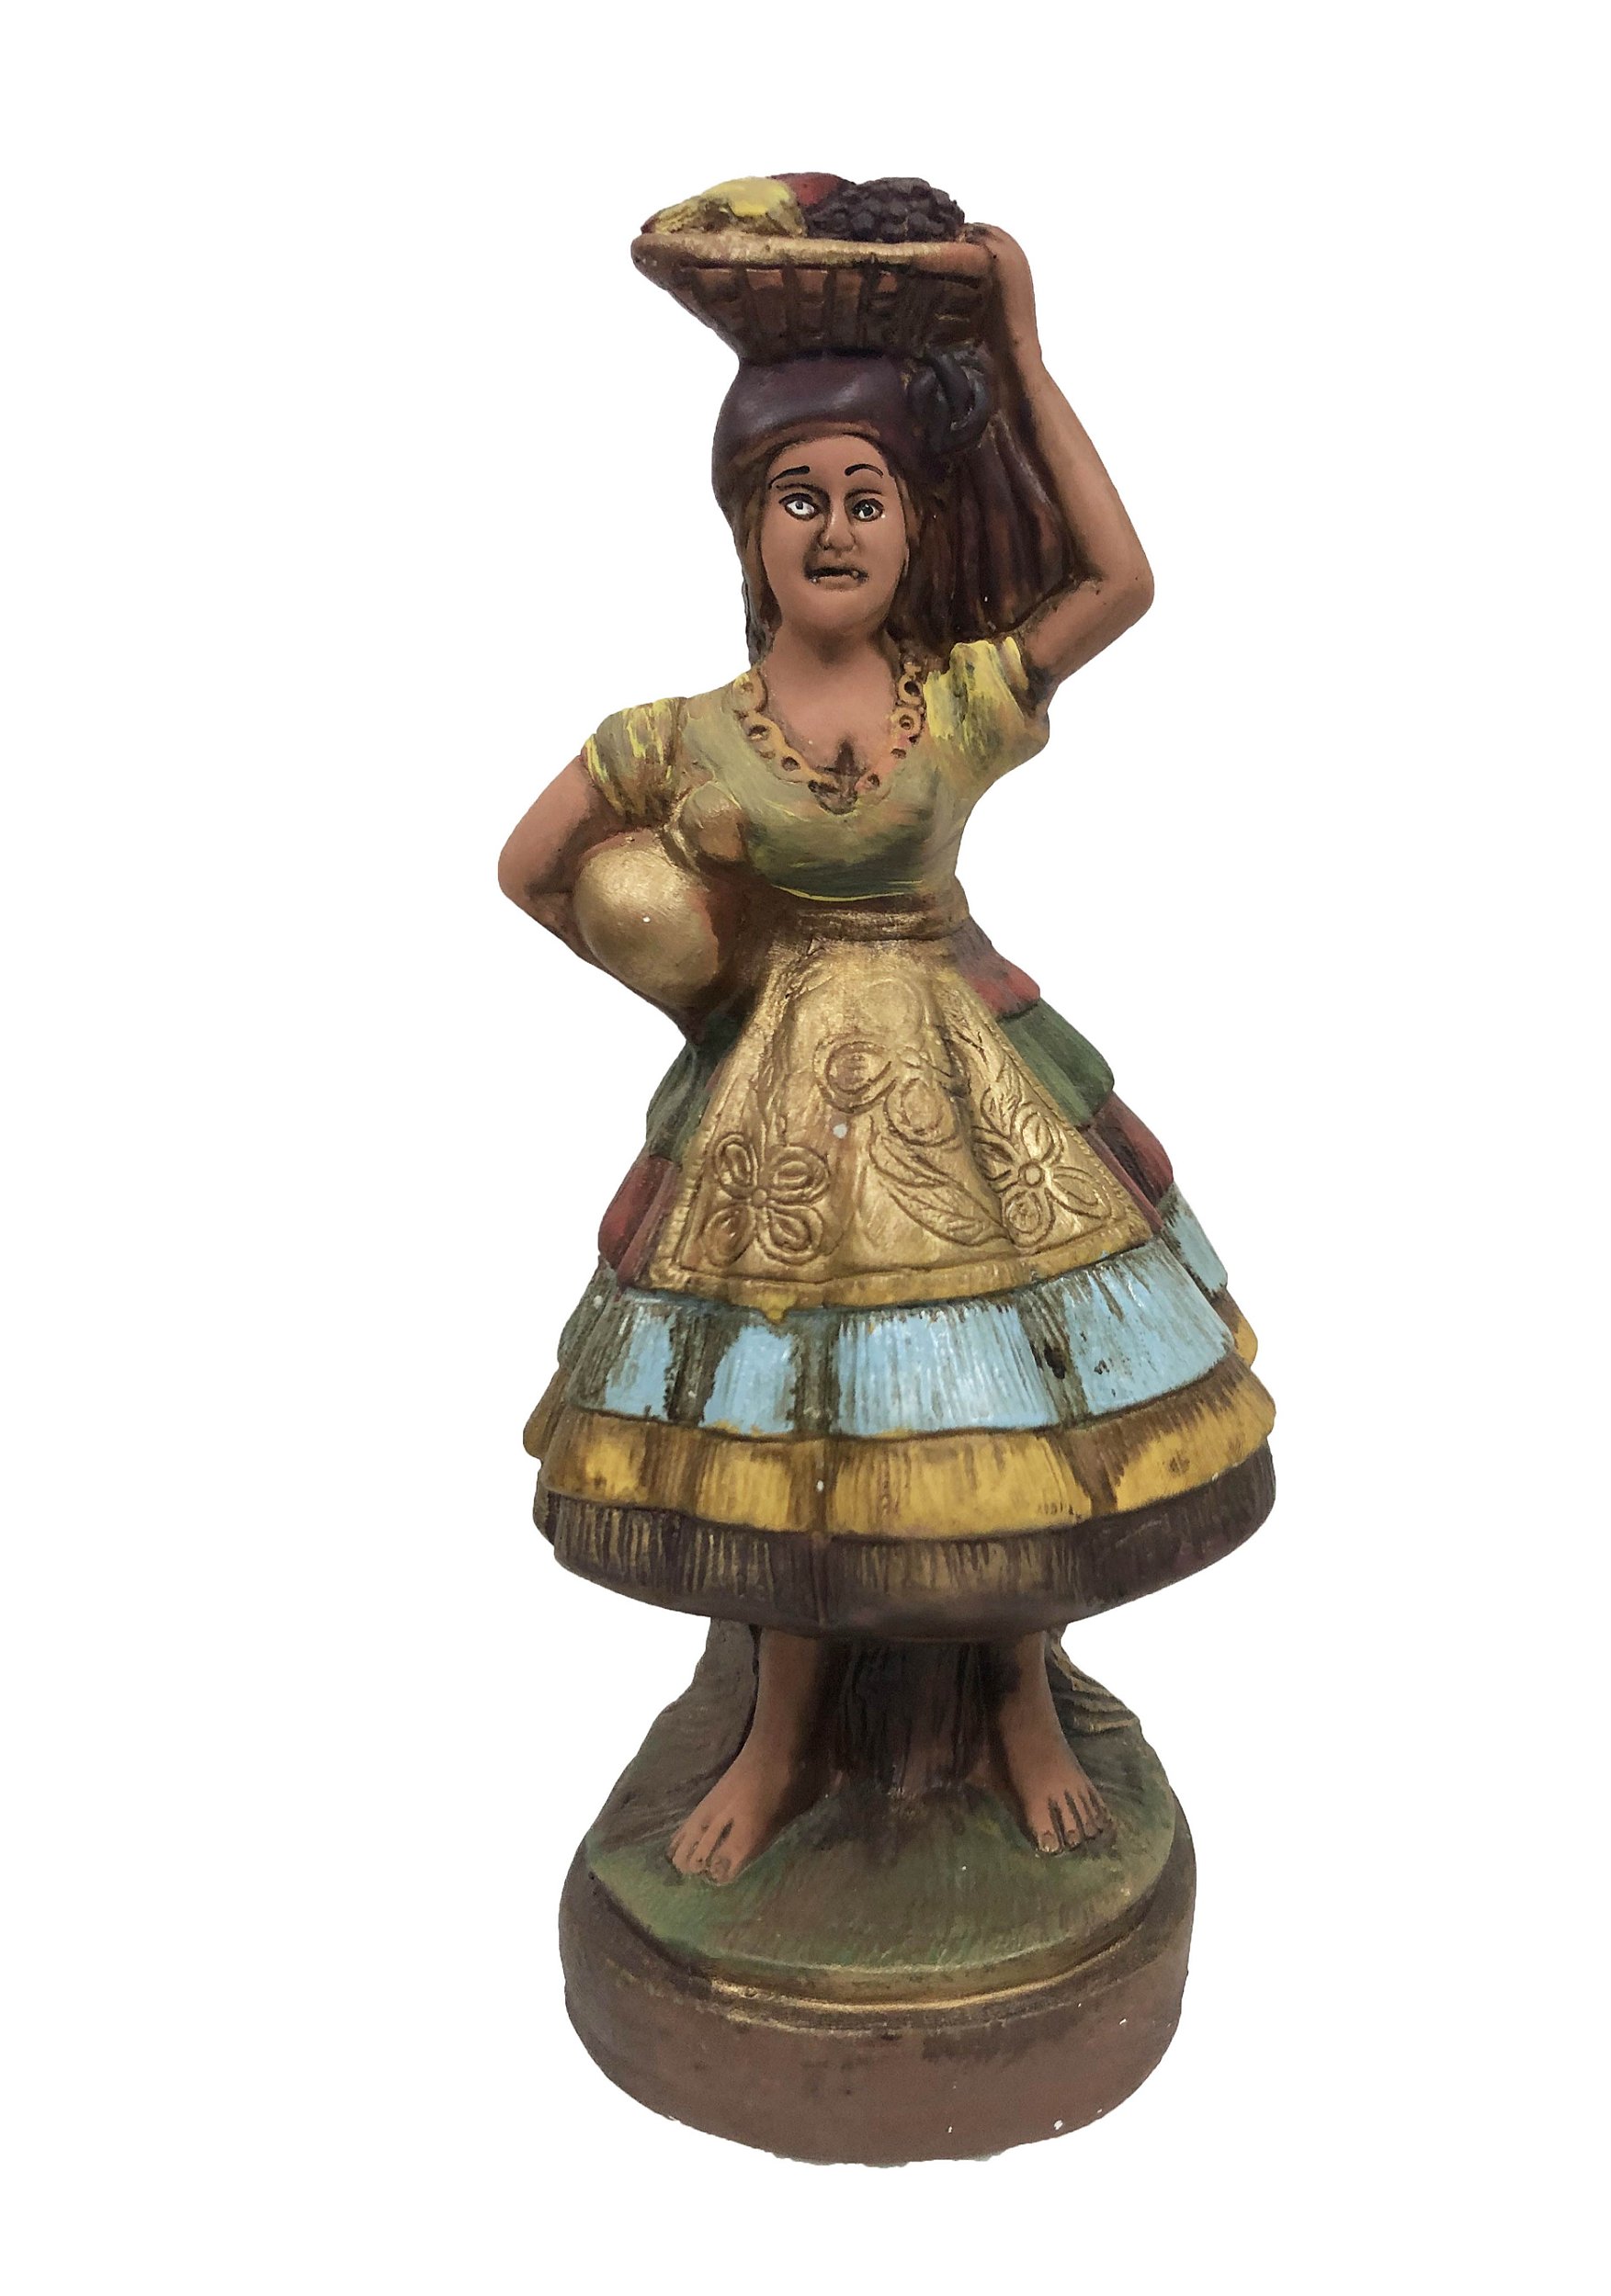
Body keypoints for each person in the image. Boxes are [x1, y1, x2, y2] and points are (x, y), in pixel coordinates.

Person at [500, 226, 1274, 1881]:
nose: (835, 528)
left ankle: (1020, 1697)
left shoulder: (960, 704)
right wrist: (689, 961)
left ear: (914, 529)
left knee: (1008, 1395)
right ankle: (778, 1735)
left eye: (867, 498)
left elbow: (1120, 583)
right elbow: (532, 867)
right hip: (781, 1120)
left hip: (965, 1091)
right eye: (800, 497)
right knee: (801, 1432)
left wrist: (1026, 354)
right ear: (747, 528)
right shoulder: (677, 738)